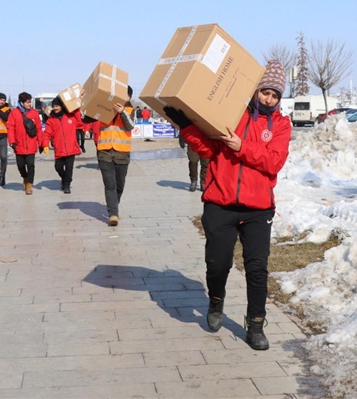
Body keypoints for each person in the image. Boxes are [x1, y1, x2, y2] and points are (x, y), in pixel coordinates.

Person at [164, 60, 291, 351]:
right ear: (256, 90)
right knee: (217, 264)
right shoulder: (232, 115)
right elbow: (209, 149)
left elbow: (274, 161)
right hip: (220, 204)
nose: (268, 99)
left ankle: (256, 323)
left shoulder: (281, 125)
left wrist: (241, 146)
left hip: (258, 209)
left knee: (257, 268)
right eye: (265, 92)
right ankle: (216, 300)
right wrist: (186, 126)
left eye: (274, 95)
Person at [89, 86, 135, 226]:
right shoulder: (104, 108)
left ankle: (114, 205)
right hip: (104, 152)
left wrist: (122, 113)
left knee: (119, 186)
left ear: (128, 97)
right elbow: (86, 117)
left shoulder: (130, 111)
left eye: (124, 95)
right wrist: (85, 99)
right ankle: (113, 214)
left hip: (122, 153)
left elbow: (130, 126)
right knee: (110, 185)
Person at [42, 97, 83, 194]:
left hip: (71, 147)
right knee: (58, 167)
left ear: (62, 106)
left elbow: (80, 123)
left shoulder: (71, 117)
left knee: (69, 168)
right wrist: (45, 144)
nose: (55, 108)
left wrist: (76, 108)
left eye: (57, 106)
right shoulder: (51, 120)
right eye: (53, 106)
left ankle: (67, 185)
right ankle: (64, 179)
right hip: (59, 148)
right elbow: (47, 133)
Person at [7, 92, 43, 195]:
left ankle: (29, 185)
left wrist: (41, 142)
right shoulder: (14, 113)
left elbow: (39, 129)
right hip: (19, 145)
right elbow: (11, 128)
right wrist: (12, 141)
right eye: (27, 102)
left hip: (31, 144)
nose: (29, 104)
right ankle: (25, 177)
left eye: (30, 102)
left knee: (31, 165)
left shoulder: (34, 113)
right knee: (21, 166)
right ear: (21, 103)